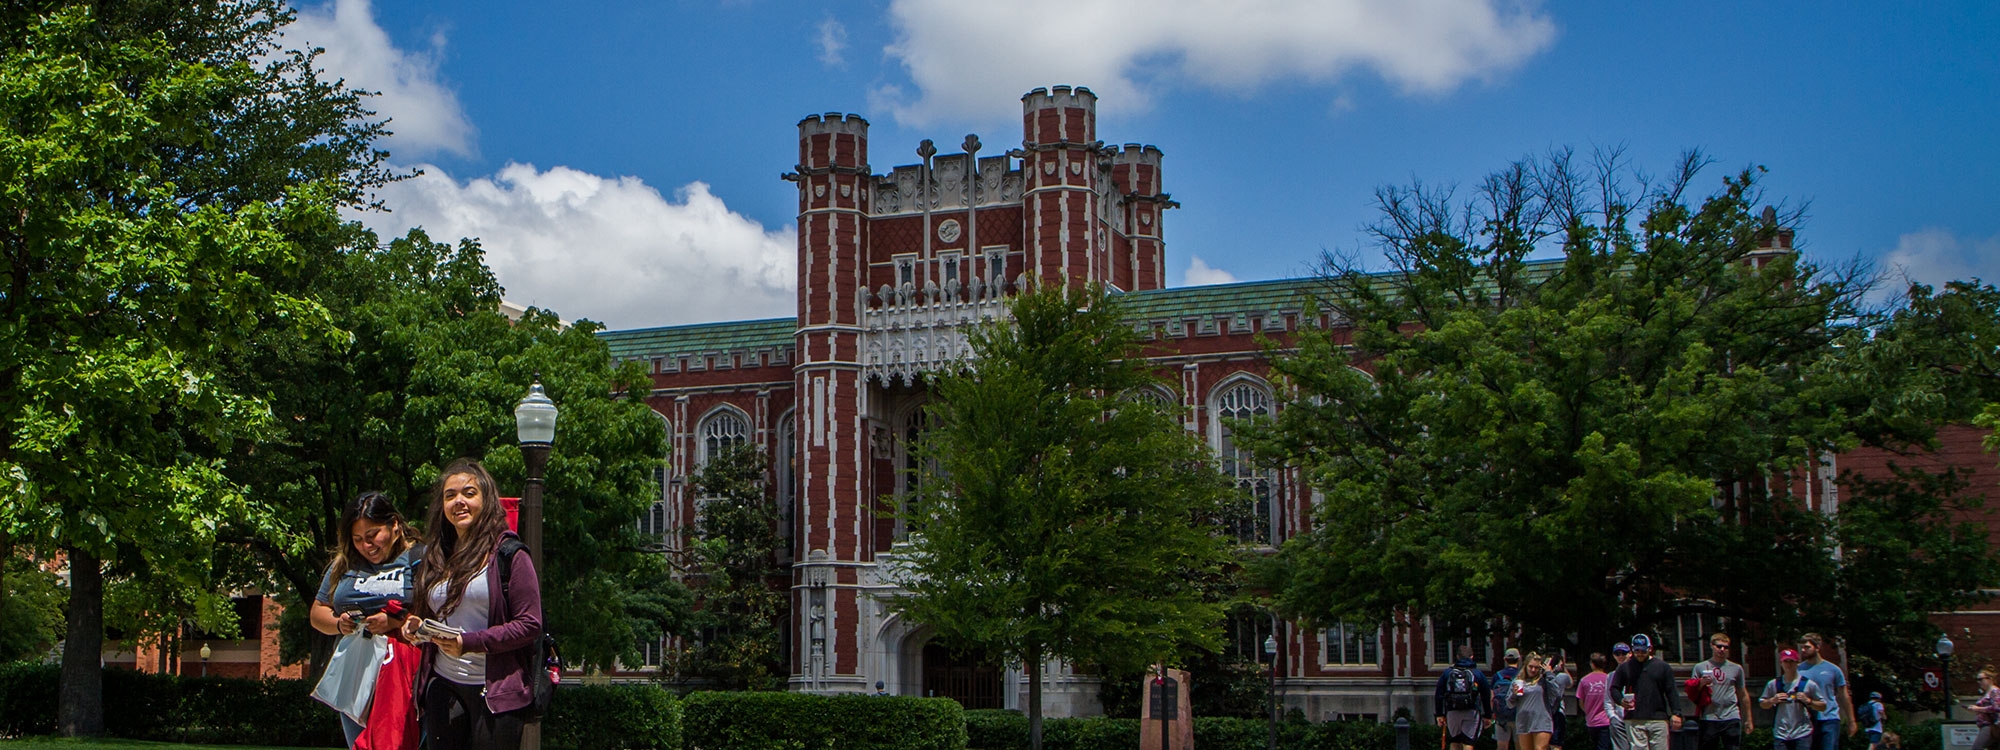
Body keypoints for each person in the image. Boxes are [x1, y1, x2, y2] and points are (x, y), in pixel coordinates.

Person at [406, 458, 544, 750]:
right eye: (450, 495)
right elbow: (429, 613)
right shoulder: (436, 556)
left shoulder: (510, 554)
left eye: (469, 493)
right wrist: (416, 627)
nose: (459, 501)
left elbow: (530, 624)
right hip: (442, 685)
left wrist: (469, 642)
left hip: (496, 694)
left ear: (487, 499)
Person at [310, 492, 422, 749]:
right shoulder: (344, 564)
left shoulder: (419, 558)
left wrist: (394, 622)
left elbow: (436, 614)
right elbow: (317, 613)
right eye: (358, 539)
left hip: (403, 673)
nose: (366, 546)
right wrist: (339, 623)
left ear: (394, 525)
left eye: (373, 536)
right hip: (356, 672)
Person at [1608, 634, 1682, 750]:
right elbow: (1614, 688)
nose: (1640, 654)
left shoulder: (1662, 667)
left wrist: (1676, 713)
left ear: (1650, 649)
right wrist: (1620, 701)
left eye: (1643, 650)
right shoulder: (1625, 668)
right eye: (1637, 650)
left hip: (1658, 718)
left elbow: (1671, 691)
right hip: (1634, 718)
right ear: (1632, 649)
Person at [1691, 633, 1754, 750]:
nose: (1722, 650)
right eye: (1719, 646)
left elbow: (1743, 693)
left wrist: (1748, 719)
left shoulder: (1736, 668)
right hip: (1709, 716)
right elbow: (1692, 692)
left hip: (1731, 715)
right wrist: (1701, 683)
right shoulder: (1700, 667)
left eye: (1725, 647)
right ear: (1712, 646)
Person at [1798, 633, 1856, 750]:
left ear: (1818, 647)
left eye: (1807, 647)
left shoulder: (1833, 669)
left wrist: (1851, 720)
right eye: (1802, 647)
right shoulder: (1798, 670)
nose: (1803, 650)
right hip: (1807, 720)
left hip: (1830, 718)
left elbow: (1844, 695)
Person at [1761, 649, 1826, 750]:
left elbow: (1822, 706)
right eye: (1786, 661)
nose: (1789, 665)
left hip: (1802, 732)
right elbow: (1763, 704)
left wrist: (1809, 701)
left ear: (1797, 663)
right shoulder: (1773, 684)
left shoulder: (1808, 684)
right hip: (1781, 733)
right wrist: (1772, 700)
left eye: (1792, 661)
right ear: (1781, 663)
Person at [1436, 644, 1492, 750]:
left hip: (1452, 711)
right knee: (1468, 742)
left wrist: (1439, 714)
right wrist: (1487, 715)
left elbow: (1439, 694)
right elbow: (1486, 695)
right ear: (1472, 657)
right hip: (1471, 711)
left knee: (1455, 740)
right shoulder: (1477, 673)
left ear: (1457, 657)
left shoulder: (1448, 673)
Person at [1510, 653, 1566, 750]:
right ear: (1525, 665)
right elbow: (1510, 703)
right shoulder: (1519, 680)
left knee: (1540, 748)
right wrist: (1513, 694)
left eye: (1536, 667)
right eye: (1530, 666)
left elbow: (1556, 695)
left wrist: (1549, 674)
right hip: (1524, 721)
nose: (1533, 670)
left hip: (1542, 721)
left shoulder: (1544, 680)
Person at [1579, 653, 1613, 750]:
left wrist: (1589, 712)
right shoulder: (1609, 678)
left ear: (1592, 664)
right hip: (1607, 720)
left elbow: (1581, 702)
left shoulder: (1584, 680)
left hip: (1591, 721)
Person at [1494, 648, 1523, 750]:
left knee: (1502, 746)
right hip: (1518, 715)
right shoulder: (1521, 675)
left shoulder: (1497, 676)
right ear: (1519, 659)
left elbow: (1492, 696)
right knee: (1519, 745)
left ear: (1505, 659)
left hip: (1501, 716)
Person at [1966, 668, 2000, 750]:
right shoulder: (1986, 692)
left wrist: (1978, 709)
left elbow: (1997, 708)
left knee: (1976, 748)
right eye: (1977, 680)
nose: (1979, 682)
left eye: (1981, 679)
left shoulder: (1994, 691)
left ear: (1990, 679)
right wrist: (1974, 709)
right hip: (1986, 725)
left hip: (1991, 725)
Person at [1608, 644, 1633, 750]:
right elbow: (1608, 698)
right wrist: (1612, 716)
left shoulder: (1637, 672)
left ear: (1630, 654)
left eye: (1624, 653)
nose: (1620, 656)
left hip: (1634, 718)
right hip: (1618, 718)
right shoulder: (1611, 676)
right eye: (1617, 654)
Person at [1549, 651, 1574, 750]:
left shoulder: (1542, 677)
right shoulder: (1562, 676)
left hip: (1545, 712)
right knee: (1557, 742)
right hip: (1558, 711)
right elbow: (1570, 683)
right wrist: (1565, 669)